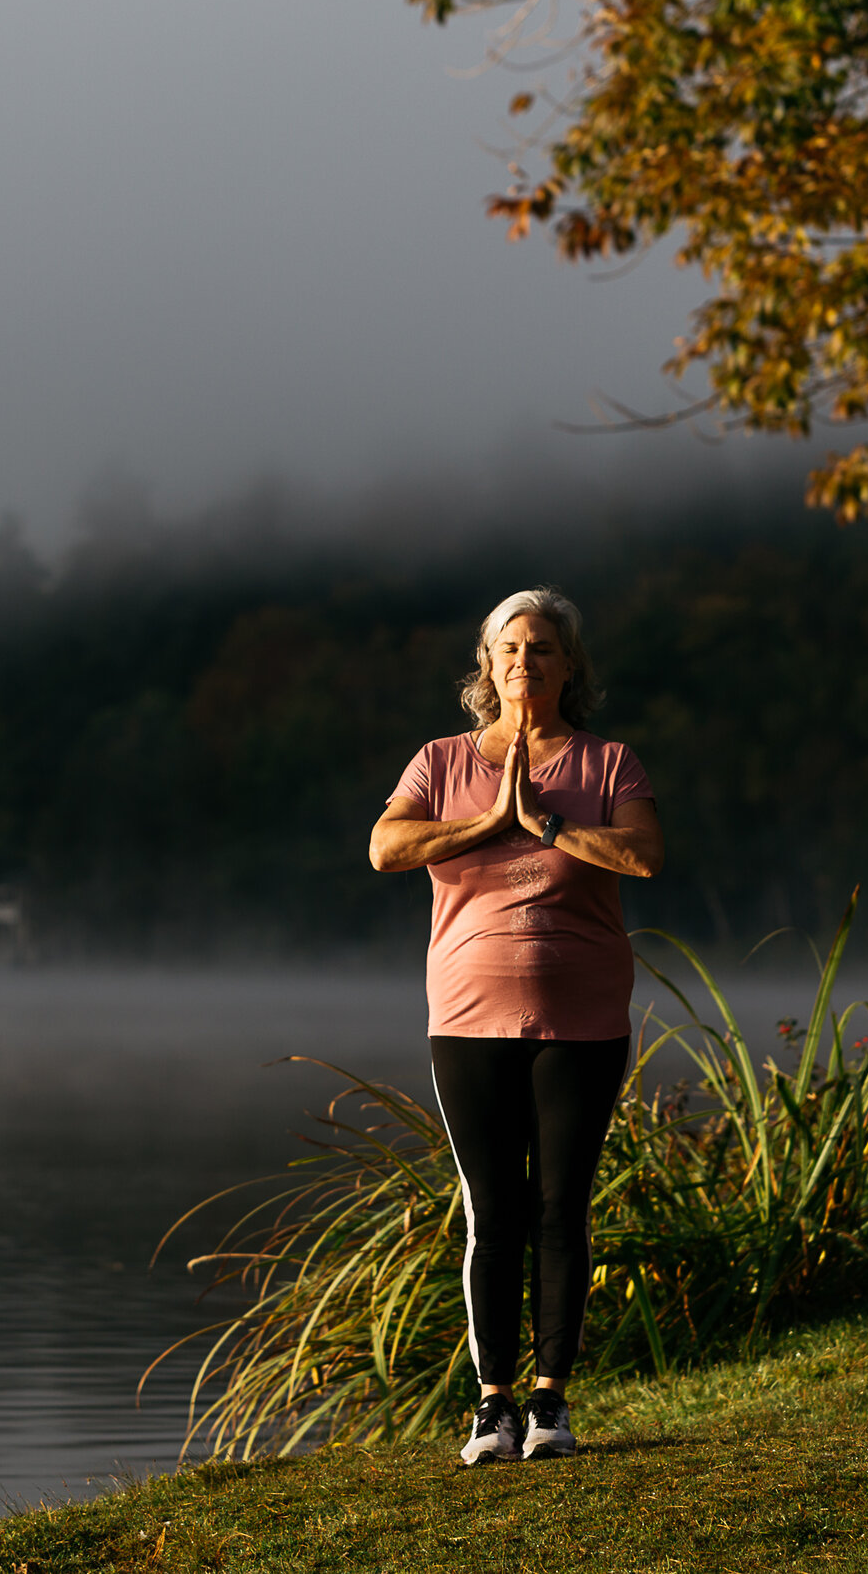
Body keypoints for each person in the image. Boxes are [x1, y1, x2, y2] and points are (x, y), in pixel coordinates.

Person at [369, 587, 663, 1464]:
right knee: (491, 1210)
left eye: (541, 648)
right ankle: (491, 1404)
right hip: (467, 1017)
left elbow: (645, 855)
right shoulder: (442, 760)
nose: (524, 662)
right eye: (509, 649)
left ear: (570, 665)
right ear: (486, 667)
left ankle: (550, 1405)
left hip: (583, 1019)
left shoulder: (609, 763)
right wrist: (489, 822)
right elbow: (385, 846)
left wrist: (549, 824)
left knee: (561, 1207)